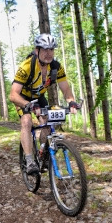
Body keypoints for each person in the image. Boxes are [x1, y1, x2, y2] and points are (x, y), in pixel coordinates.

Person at [9, 33, 81, 174]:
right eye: (45, 49)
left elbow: (65, 89)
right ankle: (29, 160)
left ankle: (43, 153)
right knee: (26, 121)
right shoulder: (27, 67)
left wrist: (71, 101)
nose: (49, 53)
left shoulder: (56, 67)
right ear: (37, 51)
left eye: (51, 50)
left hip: (39, 97)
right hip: (22, 97)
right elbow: (13, 94)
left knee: (48, 124)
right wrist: (27, 104)